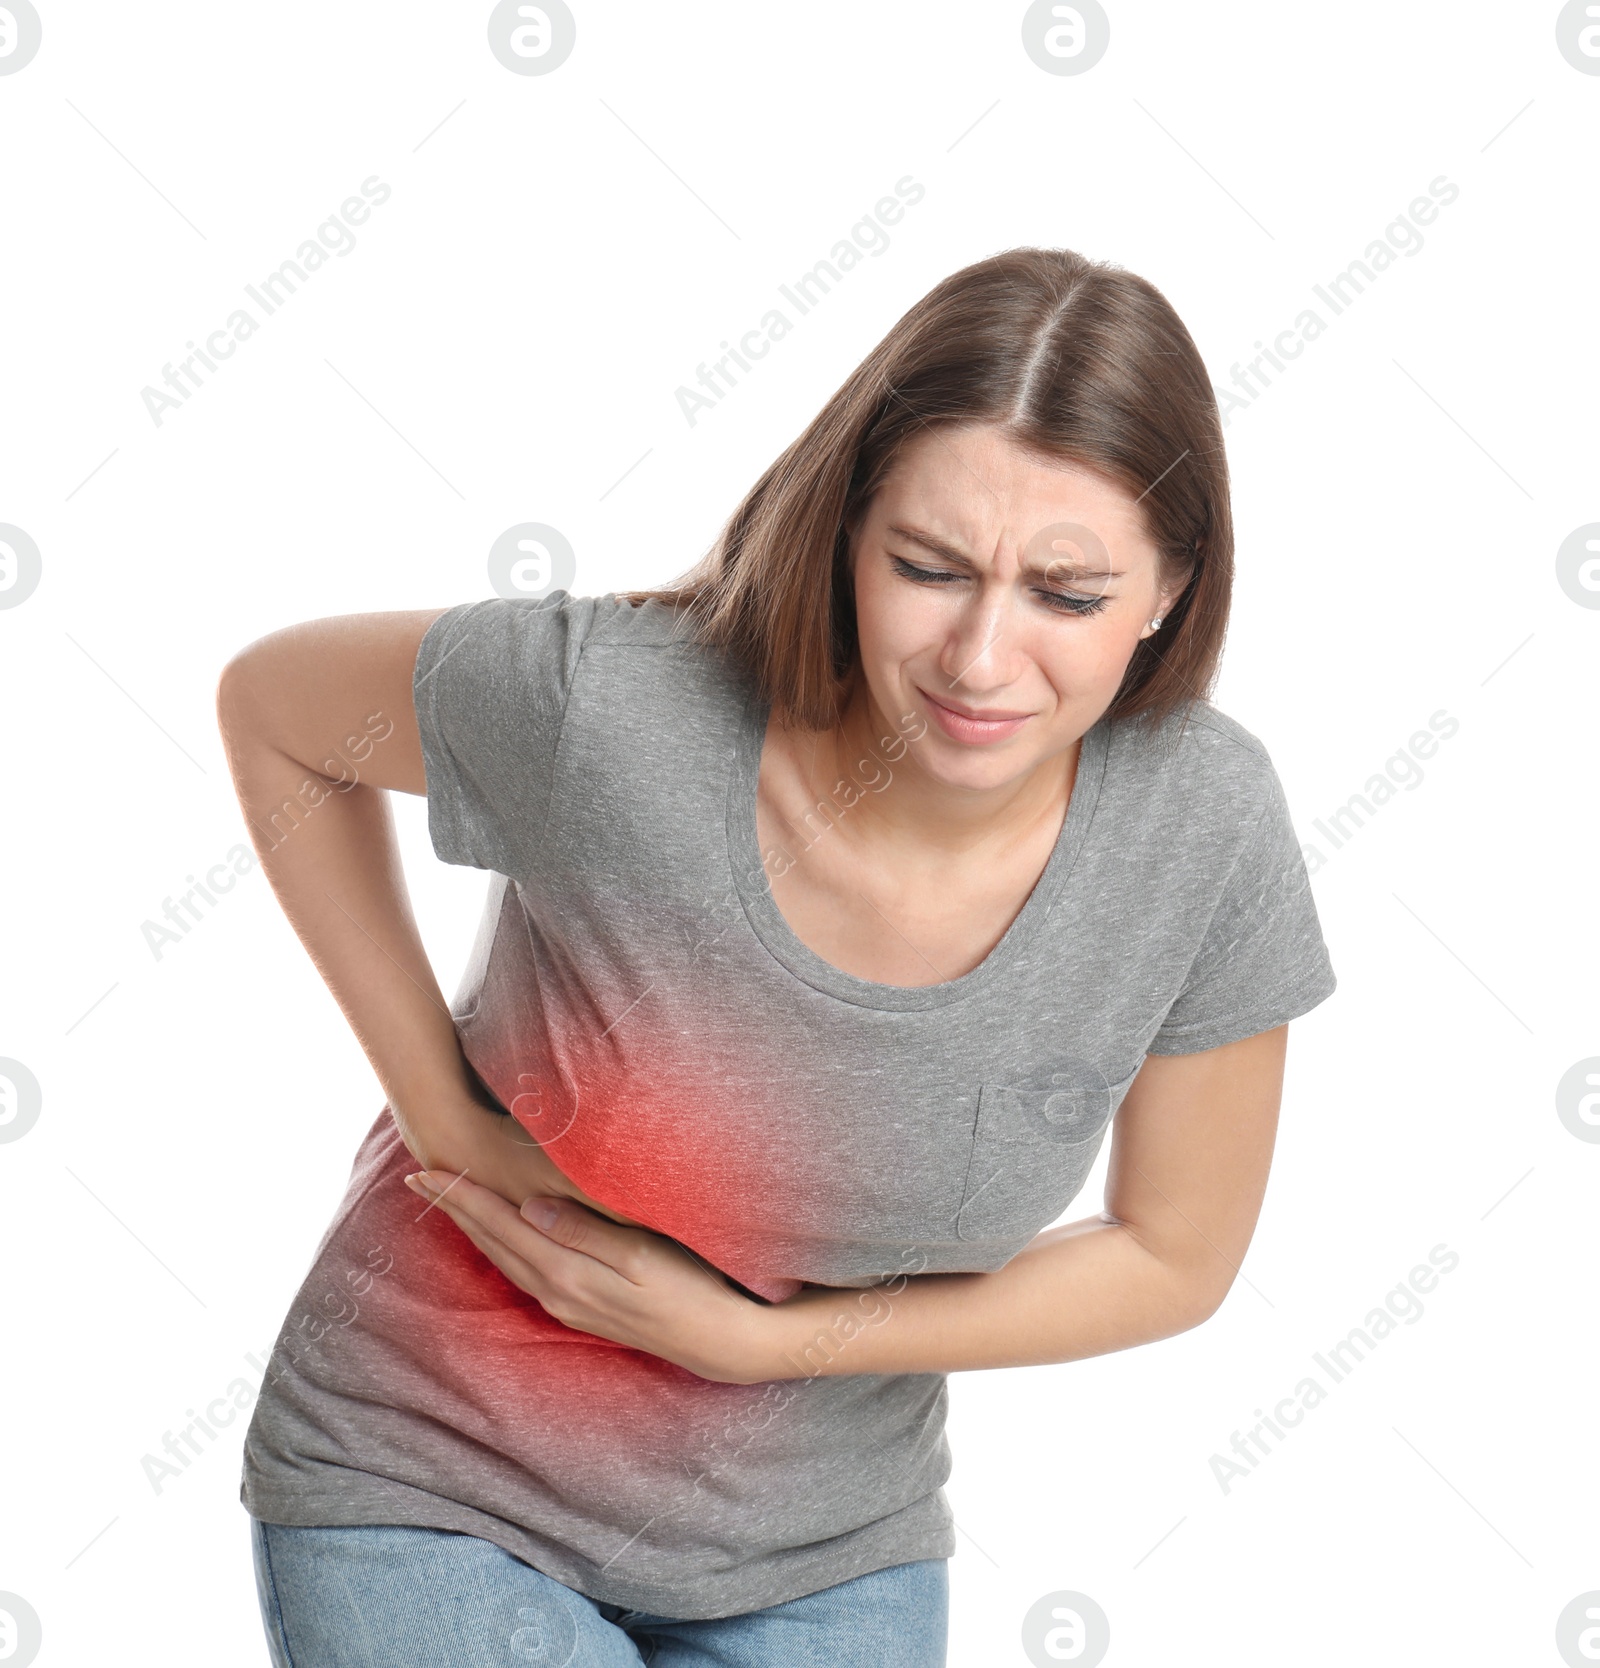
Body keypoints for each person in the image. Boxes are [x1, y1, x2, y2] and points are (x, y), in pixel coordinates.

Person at [217, 245, 1337, 1667]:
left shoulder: (1206, 830)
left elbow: (1175, 1255)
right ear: (850, 532)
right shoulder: (612, 712)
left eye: (1067, 594)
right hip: (432, 1482)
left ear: (1172, 588)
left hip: (822, 1547)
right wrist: (443, 1114)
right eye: (928, 568)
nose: (983, 659)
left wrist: (765, 1343)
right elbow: (277, 716)